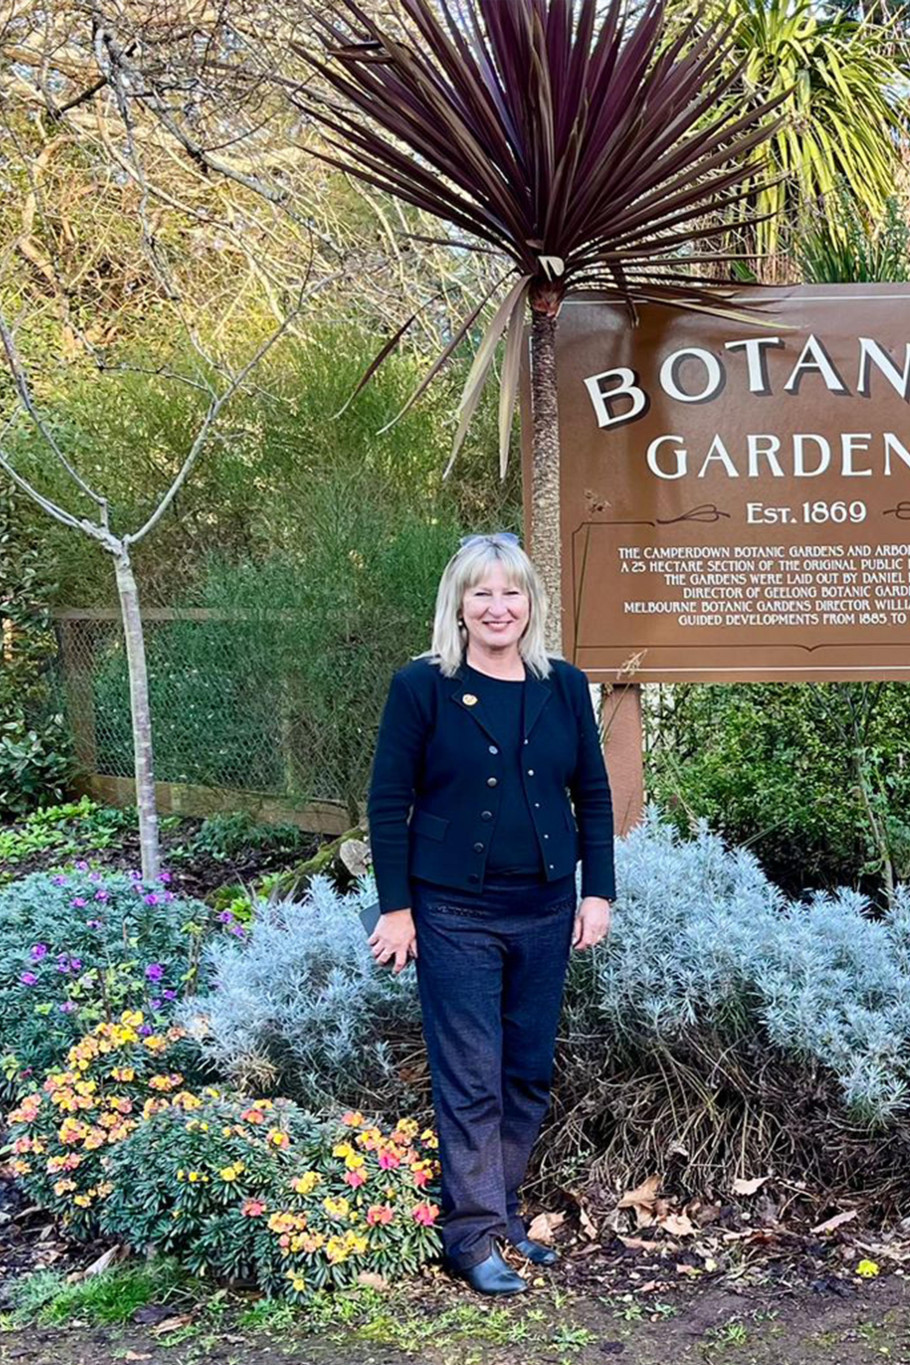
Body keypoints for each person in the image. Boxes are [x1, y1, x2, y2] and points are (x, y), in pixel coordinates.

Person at [364, 531, 614, 1297]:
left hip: (543, 905)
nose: (498, 606)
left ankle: (497, 1217)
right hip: (453, 911)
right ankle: (470, 1234)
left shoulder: (563, 685)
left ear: (531, 604)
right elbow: (388, 801)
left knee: (526, 1070)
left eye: (512, 592)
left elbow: (594, 795)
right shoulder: (422, 686)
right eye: (483, 592)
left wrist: (596, 890)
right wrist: (398, 908)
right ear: (460, 605)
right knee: (470, 1075)